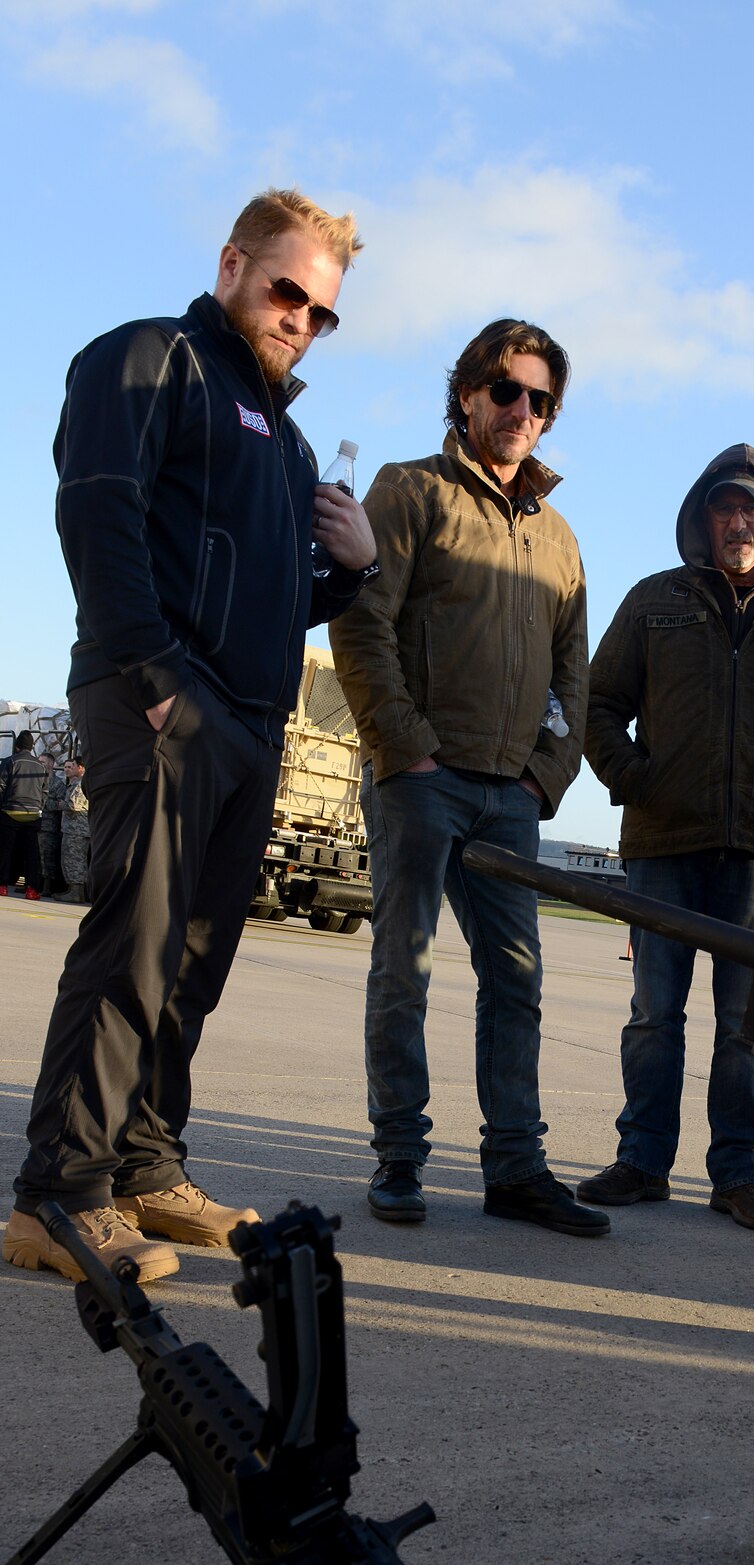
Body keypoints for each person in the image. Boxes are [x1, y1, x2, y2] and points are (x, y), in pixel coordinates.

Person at [3, 188, 376, 1285]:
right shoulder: (147, 358)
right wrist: (157, 676)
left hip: (249, 722)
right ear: (233, 266)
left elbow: (278, 599)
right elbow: (97, 508)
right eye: (286, 290)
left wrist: (351, 573)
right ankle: (59, 1194)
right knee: (134, 943)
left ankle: (143, 1167)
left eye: (322, 309)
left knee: (196, 960)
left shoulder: (290, 442)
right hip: (160, 697)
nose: (300, 316)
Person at [329, 318, 603, 1238]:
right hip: (422, 781)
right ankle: (400, 1156)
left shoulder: (560, 537)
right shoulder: (408, 491)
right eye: (505, 390)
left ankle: (516, 1167)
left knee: (516, 981)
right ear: (467, 394)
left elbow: (575, 676)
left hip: (509, 798)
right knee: (403, 970)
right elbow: (360, 622)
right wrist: (404, 747)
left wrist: (543, 778)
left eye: (539, 399)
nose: (521, 410)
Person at [578, 447, 754, 1232]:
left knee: (748, 1025)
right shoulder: (652, 602)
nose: (737, 522)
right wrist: (637, 781)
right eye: (722, 509)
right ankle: (641, 1161)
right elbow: (596, 704)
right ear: (701, 521)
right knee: (652, 1014)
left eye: (752, 510)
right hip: (662, 844)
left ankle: (741, 1175)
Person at [0, 731, 47, 897]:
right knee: (32, 854)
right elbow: (45, 791)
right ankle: (32, 889)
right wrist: (38, 807)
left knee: (5, 850)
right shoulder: (41, 766)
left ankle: (2, 885)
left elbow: (1, 787)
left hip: (10, 812)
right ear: (32, 746)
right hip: (33, 814)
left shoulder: (10, 761)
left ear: (17, 746)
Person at [59, 759, 91, 904]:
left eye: (71, 767)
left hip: (76, 829)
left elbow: (74, 805)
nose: (67, 770)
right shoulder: (78, 784)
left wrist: (61, 804)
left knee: (74, 860)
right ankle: (74, 890)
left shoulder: (79, 784)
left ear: (81, 768)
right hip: (75, 828)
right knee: (73, 860)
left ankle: (76, 892)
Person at [39, 757, 67, 896]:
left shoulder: (57, 784)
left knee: (47, 856)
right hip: (36, 823)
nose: (40, 764)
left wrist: (43, 802)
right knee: (35, 855)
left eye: (43, 762)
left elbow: (60, 805)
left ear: (51, 764)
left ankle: (47, 885)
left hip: (49, 826)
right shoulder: (37, 780)